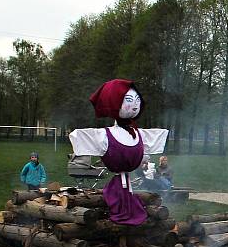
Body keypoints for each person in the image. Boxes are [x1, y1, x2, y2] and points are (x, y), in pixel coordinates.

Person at [69, 79, 168, 225]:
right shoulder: (105, 136)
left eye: (136, 100)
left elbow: (157, 137)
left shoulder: (138, 134)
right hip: (118, 182)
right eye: (128, 100)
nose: (134, 105)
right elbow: (79, 136)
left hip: (127, 182)